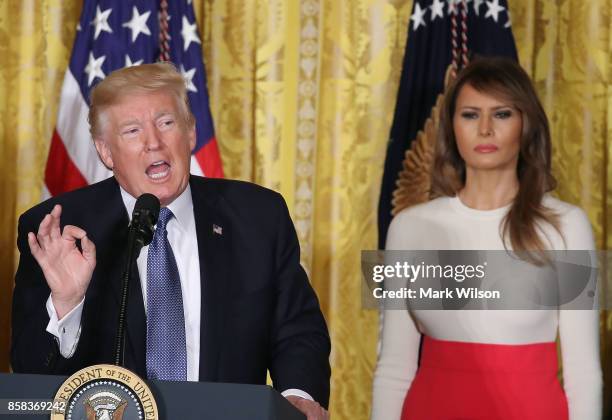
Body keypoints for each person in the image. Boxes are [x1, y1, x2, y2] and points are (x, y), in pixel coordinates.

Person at [11, 62, 330, 420]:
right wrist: (67, 304)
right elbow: (28, 378)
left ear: (190, 132)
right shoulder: (60, 229)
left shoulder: (257, 216)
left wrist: (297, 396)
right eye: (132, 131)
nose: (153, 143)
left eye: (166, 123)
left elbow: (297, 330)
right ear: (105, 152)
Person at [371, 57, 602, 419]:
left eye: (502, 114)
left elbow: (584, 372)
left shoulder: (569, 225)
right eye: (469, 114)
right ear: (452, 127)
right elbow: (393, 367)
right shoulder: (407, 226)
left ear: (526, 124)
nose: (484, 128)